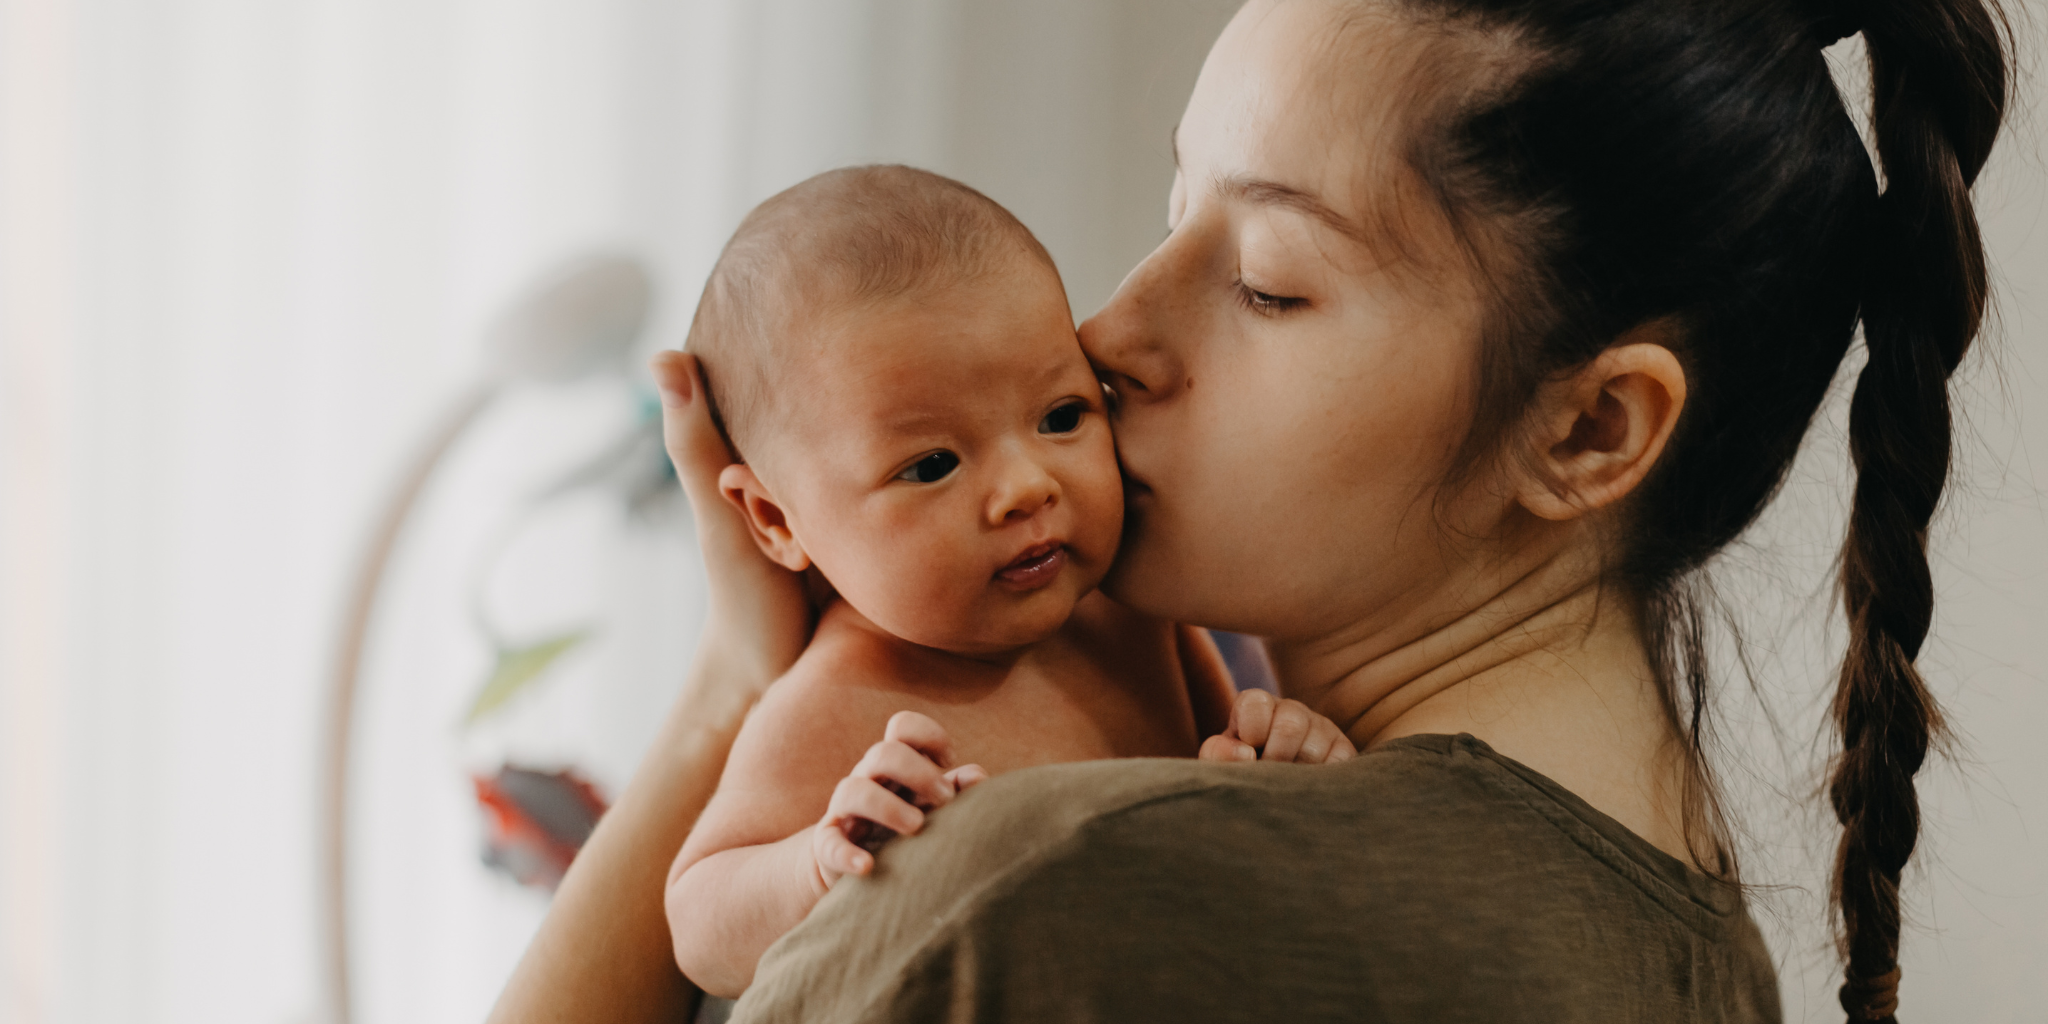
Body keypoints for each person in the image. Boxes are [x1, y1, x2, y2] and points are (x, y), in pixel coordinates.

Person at [486, 0, 2013, 1020]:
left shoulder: (1052, 892)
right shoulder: (1691, 957)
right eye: (1171, 217)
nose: (1114, 335)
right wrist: (765, 686)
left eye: (1270, 283)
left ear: (1591, 428)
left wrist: (726, 703)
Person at [660, 164, 1354, 997]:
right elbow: (699, 923)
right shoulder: (831, 701)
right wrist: (818, 862)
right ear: (776, 521)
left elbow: (1217, 770)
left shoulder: (1129, 620)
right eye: (932, 465)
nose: (1028, 486)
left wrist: (1275, 765)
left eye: (1062, 416)